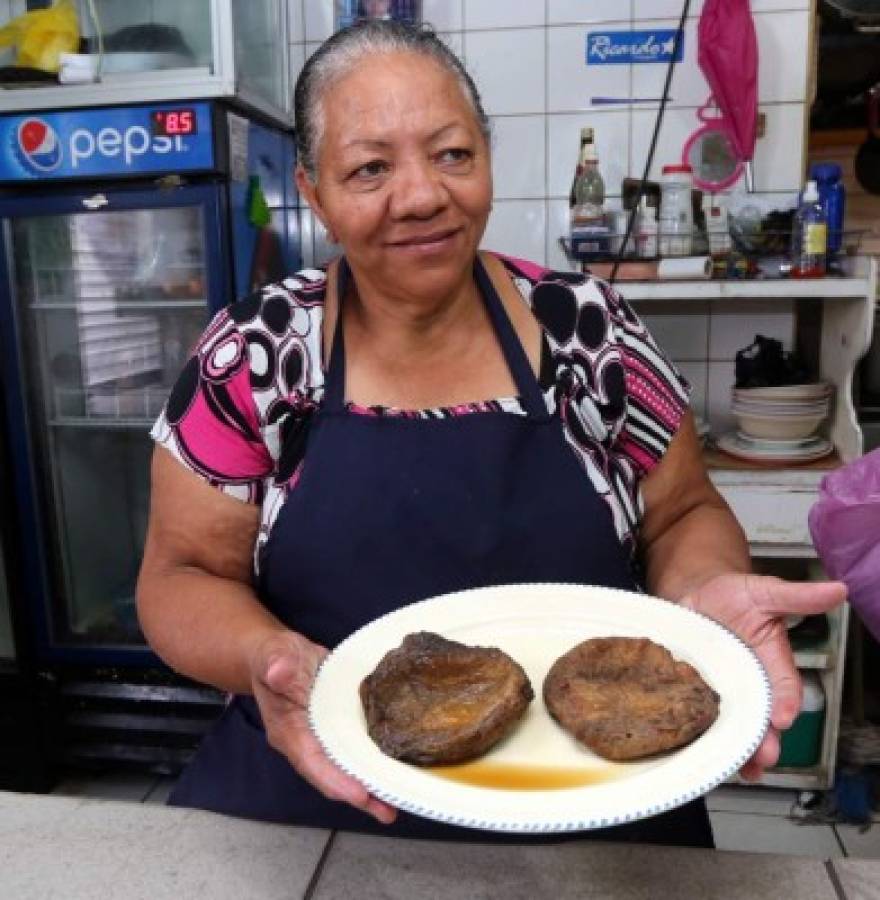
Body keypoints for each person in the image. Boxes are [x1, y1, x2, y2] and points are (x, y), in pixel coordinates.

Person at [137, 20, 845, 846]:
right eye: (371, 168)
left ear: (486, 158)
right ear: (315, 192)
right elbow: (179, 575)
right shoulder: (254, 355)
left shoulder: (592, 330)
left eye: (452, 154)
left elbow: (684, 512)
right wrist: (266, 660)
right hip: (314, 794)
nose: (422, 195)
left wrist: (701, 602)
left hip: (591, 794)